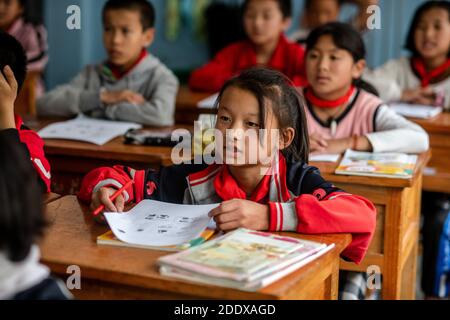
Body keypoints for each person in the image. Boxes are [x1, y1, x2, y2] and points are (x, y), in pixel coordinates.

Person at [37, 0, 179, 127]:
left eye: (125, 31)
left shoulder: (162, 77)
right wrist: (103, 97)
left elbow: (161, 116)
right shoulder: (92, 72)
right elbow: (43, 104)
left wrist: (100, 108)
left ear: (147, 37)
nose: (115, 40)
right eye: (108, 29)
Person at [189, 0, 307, 92]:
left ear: (285, 22)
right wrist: (242, 82)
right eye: (250, 15)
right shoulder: (234, 51)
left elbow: (311, 80)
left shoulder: (295, 53)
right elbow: (198, 78)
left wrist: (275, 87)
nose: (257, 23)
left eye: (266, 16)